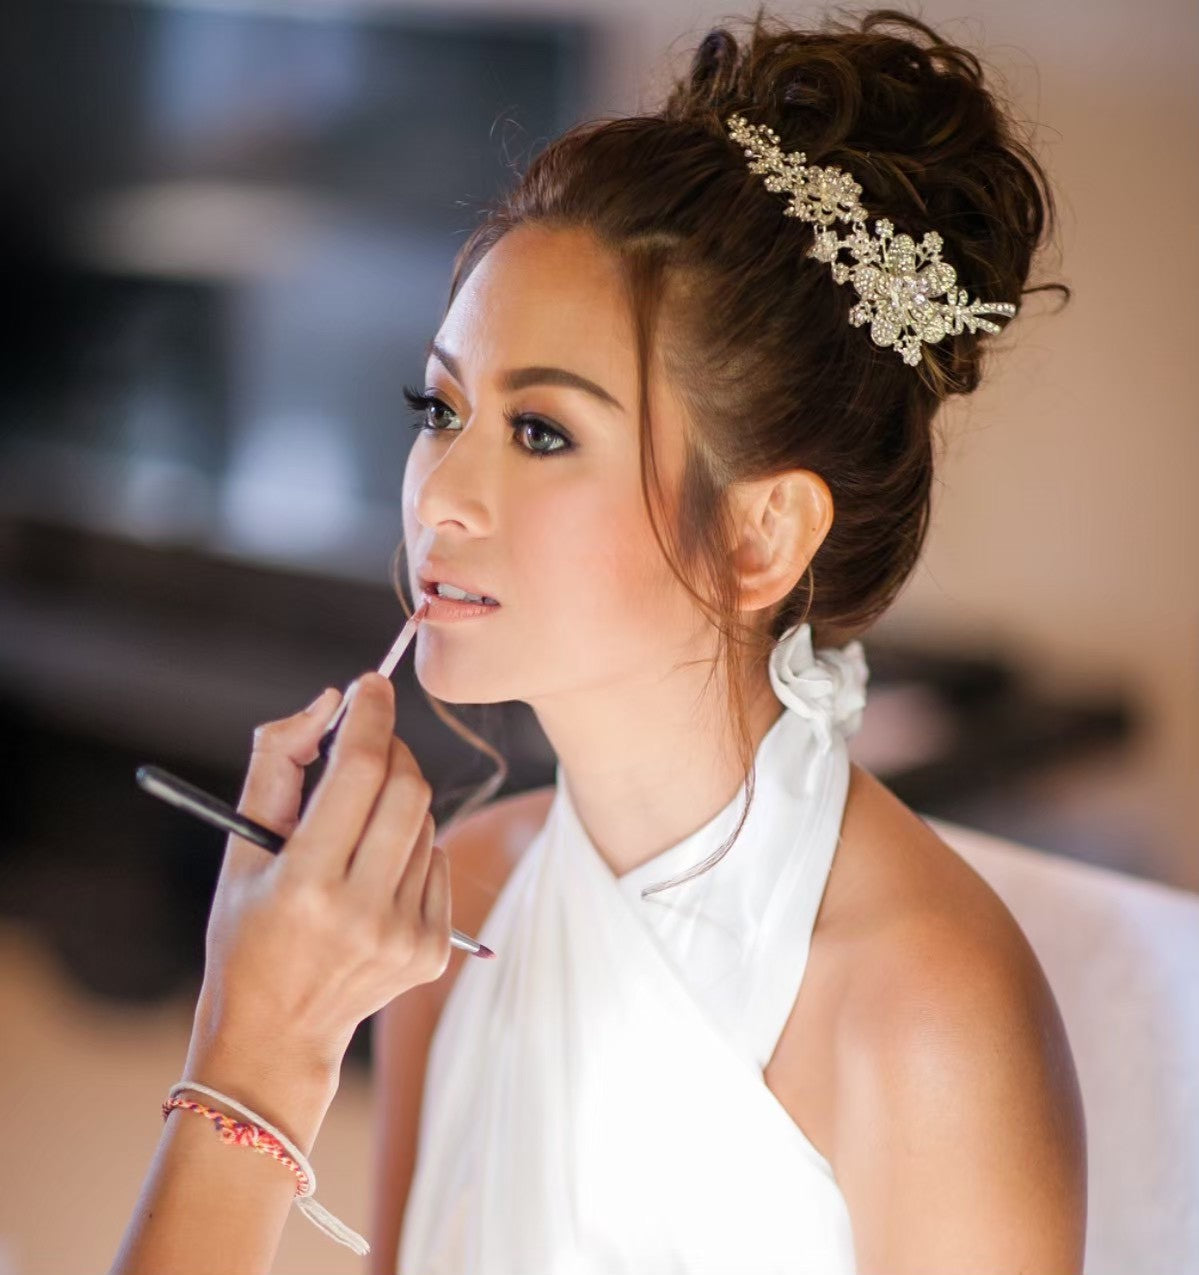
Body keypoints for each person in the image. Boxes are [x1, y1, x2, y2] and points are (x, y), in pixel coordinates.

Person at [109, 7, 1087, 1274]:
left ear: (760, 534)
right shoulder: (458, 900)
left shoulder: (923, 1013)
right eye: (438, 408)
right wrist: (259, 1046)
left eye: (541, 433)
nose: (438, 496)